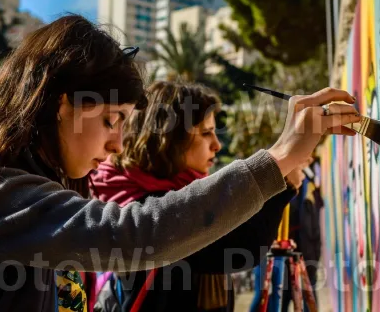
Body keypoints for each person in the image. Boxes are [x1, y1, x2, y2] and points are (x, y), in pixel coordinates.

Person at [0, 14, 360, 311]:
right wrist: (279, 158)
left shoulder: (22, 181)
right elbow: (131, 234)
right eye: (110, 120)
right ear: (62, 104)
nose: (117, 143)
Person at [89, 81, 308, 312]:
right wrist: (283, 181)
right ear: (169, 139)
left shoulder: (151, 196)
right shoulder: (148, 208)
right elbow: (242, 248)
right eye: (206, 133)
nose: (216, 145)